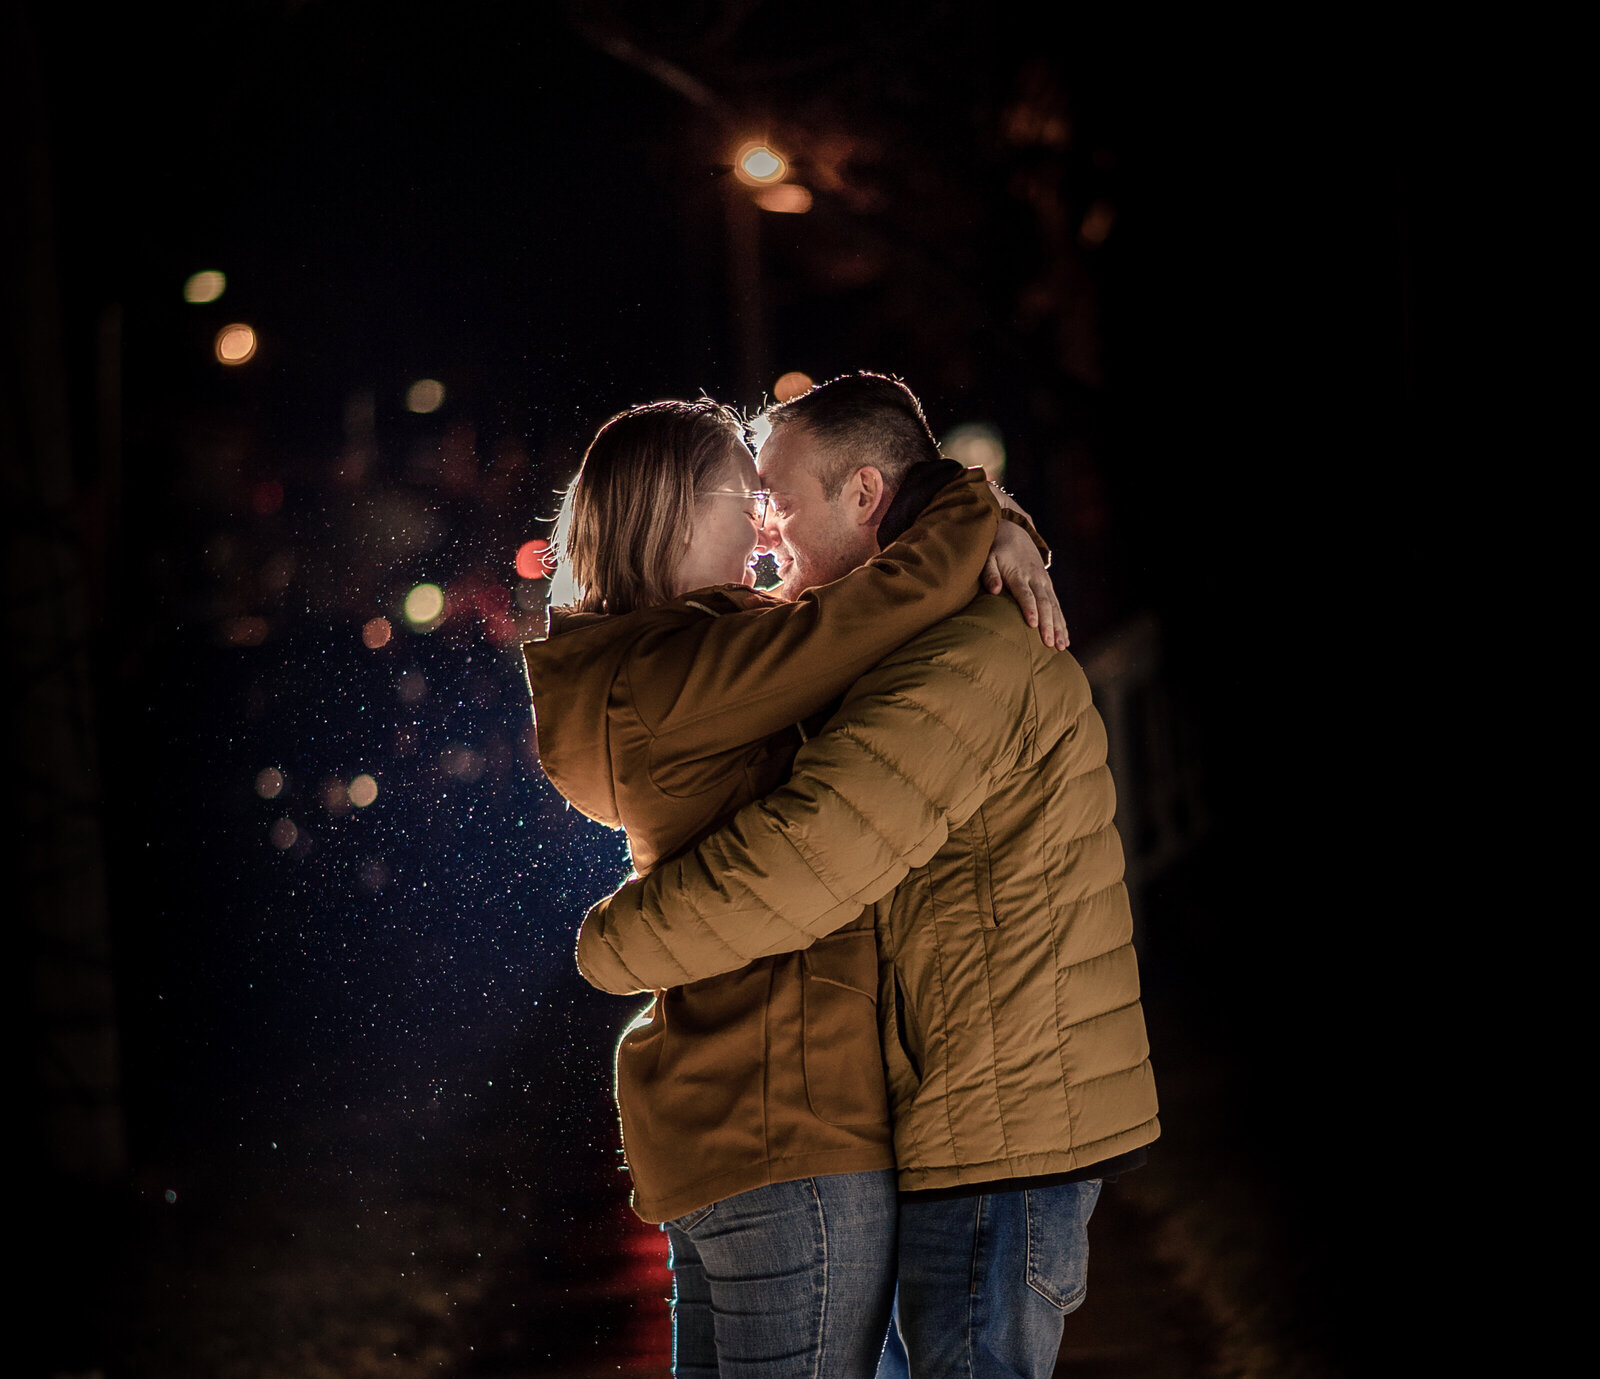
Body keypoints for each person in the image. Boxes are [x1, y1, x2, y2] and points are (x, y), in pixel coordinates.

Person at [577, 374, 1160, 1379]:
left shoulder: (961, 657)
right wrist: (991, 521)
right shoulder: (911, 636)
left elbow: (803, 863)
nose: (765, 525)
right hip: (960, 1122)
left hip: (995, 1136)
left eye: (781, 495)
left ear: (860, 495)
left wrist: (612, 942)